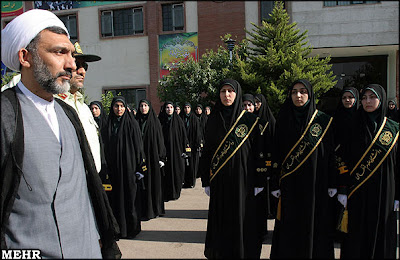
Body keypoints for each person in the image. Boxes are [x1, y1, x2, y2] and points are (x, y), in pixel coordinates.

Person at [1, 9, 120, 258]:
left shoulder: (68, 113)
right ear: (26, 57)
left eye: (71, 55)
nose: (71, 64)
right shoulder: (6, 115)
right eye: (59, 52)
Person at [199, 79, 266, 259]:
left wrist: (260, 180)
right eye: (223, 91)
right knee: (223, 221)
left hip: (244, 181)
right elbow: (207, 152)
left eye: (230, 91)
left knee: (243, 219)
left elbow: (258, 152)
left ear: (237, 94)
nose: (226, 95)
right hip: (220, 181)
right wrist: (206, 180)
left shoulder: (250, 121)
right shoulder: (213, 119)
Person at [269, 79, 336, 259]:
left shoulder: (323, 121)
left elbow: (330, 155)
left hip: (316, 184)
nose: (298, 96)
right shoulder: (283, 120)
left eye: (303, 91)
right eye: (294, 92)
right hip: (290, 186)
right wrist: (275, 182)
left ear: (310, 94)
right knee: (290, 229)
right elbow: (276, 153)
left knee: (315, 226)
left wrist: (333, 182)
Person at [337, 84, 399, 259]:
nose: (368, 101)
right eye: (364, 98)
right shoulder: (352, 126)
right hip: (358, 190)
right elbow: (341, 157)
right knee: (357, 235)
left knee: (381, 234)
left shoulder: (393, 129)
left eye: (372, 97)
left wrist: (398, 194)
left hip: (385, 190)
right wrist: (342, 187)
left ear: (381, 99)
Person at [101, 96, 147, 239]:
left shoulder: (131, 123)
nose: (119, 109)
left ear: (125, 107)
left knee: (130, 198)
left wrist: (140, 167)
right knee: (115, 199)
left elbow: (139, 147)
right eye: (116, 106)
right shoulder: (108, 124)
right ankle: (118, 229)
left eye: (121, 106)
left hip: (129, 168)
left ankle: (132, 228)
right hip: (114, 169)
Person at [55, 42, 102, 172]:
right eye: (77, 65)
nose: (82, 71)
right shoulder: (53, 105)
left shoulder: (85, 108)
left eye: (85, 66)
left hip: (90, 181)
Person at [136, 99, 167, 220]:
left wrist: (161, 157)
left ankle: (155, 209)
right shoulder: (136, 121)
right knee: (143, 185)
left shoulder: (155, 122)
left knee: (154, 184)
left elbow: (160, 140)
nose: (143, 108)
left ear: (149, 107)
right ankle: (144, 210)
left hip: (153, 158)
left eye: (145, 105)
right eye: (141, 106)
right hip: (141, 158)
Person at [158, 101, 191, 201]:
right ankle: (167, 193)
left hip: (177, 152)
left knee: (177, 172)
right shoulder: (161, 120)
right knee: (166, 174)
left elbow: (184, 137)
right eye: (167, 107)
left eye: (171, 107)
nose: (169, 109)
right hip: (165, 152)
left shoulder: (178, 121)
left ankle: (176, 192)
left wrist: (187, 150)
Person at [181, 103, 202, 188]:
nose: (187, 109)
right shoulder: (181, 118)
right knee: (185, 164)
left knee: (192, 164)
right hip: (185, 144)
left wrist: (198, 144)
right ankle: (186, 181)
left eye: (188, 107)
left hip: (193, 145)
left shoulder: (194, 118)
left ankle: (192, 182)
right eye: (185, 107)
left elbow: (198, 132)